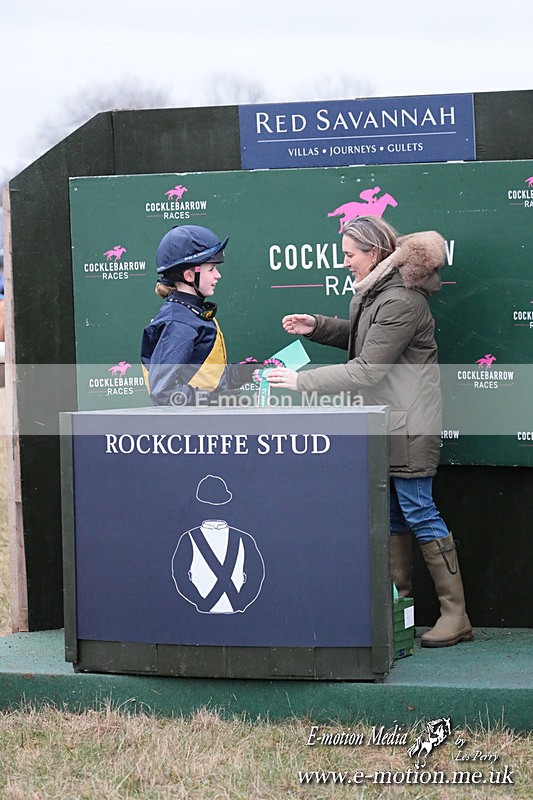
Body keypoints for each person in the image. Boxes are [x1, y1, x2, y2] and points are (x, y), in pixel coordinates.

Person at [266, 215, 472, 648]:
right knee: (396, 516)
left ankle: (456, 616)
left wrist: (302, 381)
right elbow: (367, 340)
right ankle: (398, 611)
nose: (344, 263)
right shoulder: (379, 294)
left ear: (374, 254)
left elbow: (367, 368)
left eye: (349, 255)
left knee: (418, 512)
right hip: (389, 423)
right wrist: (318, 326)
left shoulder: (400, 301)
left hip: (409, 426)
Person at [141, 224, 255, 406]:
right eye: (211, 269)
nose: (218, 276)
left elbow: (203, 377)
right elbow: (164, 392)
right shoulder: (178, 323)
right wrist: (213, 401)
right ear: (188, 275)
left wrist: (238, 374)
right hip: (189, 430)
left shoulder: (191, 313)